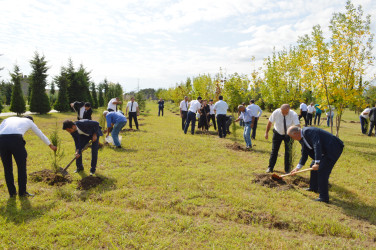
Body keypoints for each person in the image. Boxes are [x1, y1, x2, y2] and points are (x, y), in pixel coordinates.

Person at [0, 116, 57, 197]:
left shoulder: (8, 119)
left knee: (7, 169)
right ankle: (22, 193)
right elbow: (40, 133)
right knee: (21, 168)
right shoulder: (29, 121)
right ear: (32, 121)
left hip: (1, 140)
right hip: (16, 140)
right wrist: (50, 145)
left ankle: (12, 193)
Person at [288, 126, 344, 203]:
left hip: (333, 148)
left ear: (295, 133)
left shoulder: (308, 131)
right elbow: (304, 154)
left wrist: (317, 163)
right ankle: (314, 187)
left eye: (291, 137)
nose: (292, 139)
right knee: (312, 166)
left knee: (322, 171)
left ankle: (324, 197)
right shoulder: (302, 138)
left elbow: (317, 145)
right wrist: (297, 168)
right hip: (324, 151)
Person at [265, 104, 300, 174]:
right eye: (282, 112)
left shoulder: (293, 114)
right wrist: (266, 132)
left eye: (286, 112)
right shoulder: (276, 112)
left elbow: (297, 125)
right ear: (280, 109)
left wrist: (299, 135)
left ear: (289, 110)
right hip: (277, 132)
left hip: (289, 134)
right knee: (274, 150)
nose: (284, 114)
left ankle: (287, 169)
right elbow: (270, 122)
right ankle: (270, 167)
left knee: (288, 152)